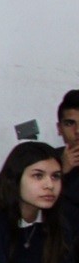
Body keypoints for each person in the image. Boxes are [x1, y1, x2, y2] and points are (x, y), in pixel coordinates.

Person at [55, 89, 79, 233]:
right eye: (70, 123)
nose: (77, 131)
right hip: (56, 241)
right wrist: (59, 172)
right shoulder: (45, 160)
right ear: (59, 128)